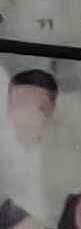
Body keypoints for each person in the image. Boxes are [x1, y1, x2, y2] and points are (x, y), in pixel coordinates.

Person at [0, 70, 62, 221]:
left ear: (51, 111)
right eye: (19, 104)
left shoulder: (61, 160)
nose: (27, 114)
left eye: (40, 108)